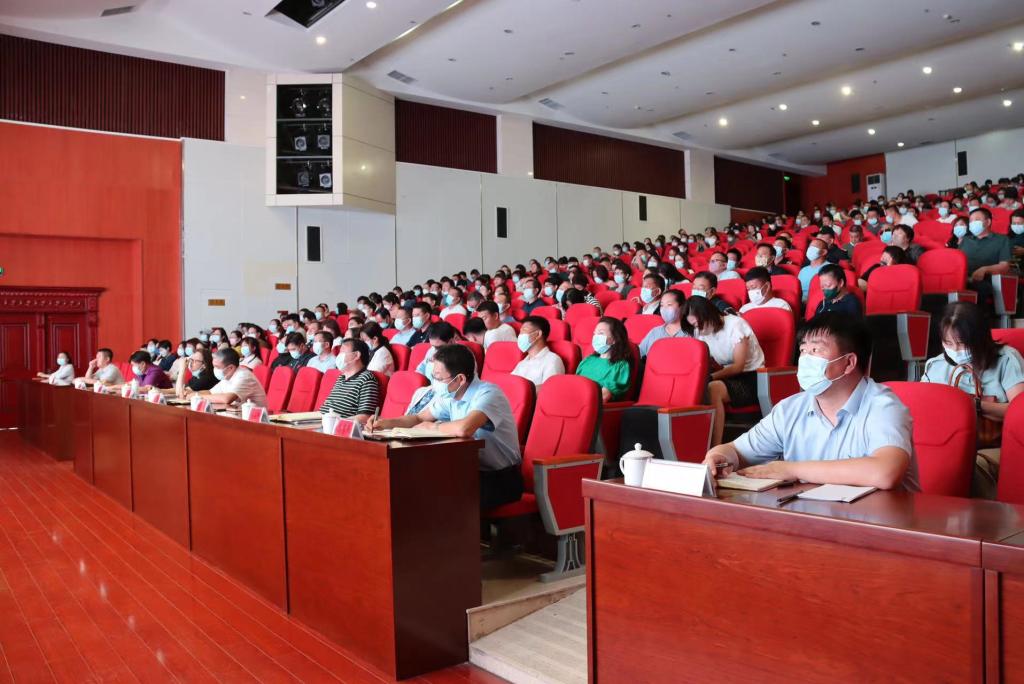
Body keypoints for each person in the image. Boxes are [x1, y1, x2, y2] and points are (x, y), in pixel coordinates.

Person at [702, 313, 919, 491]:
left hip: (881, 524)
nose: (805, 359)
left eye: (815, 350)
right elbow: (737, 451)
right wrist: (718, 456)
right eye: (803, 350)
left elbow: (885, 472)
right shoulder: (790, 409)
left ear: (849, 363)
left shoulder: (883, 406)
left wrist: (792, 469)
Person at [366, 344, 523, 509]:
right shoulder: (451, 395)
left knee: (431, 496)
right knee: (411, 484)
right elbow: (419, 417)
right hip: (468, 471)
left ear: (460, 379)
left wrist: (432, 427)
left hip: (500, 479)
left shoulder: (488, 394)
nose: (435, 383)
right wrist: (385, 423)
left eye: (439, 379)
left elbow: (465, 429)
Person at [682, 298, 765, 446]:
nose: (698, 329)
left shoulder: (735, 325)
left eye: (698, 324)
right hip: (726, 376)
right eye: (693, 326)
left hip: (752, 378)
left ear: (708, 314)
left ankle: (715, 446)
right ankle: (691, 443)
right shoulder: (701, 332)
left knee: (712, 388)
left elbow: (738, 366)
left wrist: (710, 377)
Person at [922, 301, 1024, 422]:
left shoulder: (1007, 360)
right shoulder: (935, 365)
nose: (955, 349)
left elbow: (1019, 411)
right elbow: (923, 406)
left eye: (961, 343)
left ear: (979, 338)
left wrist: (974, 405)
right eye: (948, 343)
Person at [960, 207, 1012, 309]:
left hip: (985, 280)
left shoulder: (1002, 240)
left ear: (988, 222)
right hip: (963, 278)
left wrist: (985, 269)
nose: (972, 223)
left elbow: (1004, 266)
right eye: (971, 221)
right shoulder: (965, 240)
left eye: (977, 220)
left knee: (980, 288)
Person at [318, 339, 380, 423]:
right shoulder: (341, 377)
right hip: (321, 421)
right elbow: (327, 407)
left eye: (342, 352)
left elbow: (365, 417)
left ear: (356, 355)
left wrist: (336, 423)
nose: (339, 356)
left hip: (338, 427)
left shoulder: (367, 379)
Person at [576, 317, 632, 402]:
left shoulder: (621, 366)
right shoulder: (587, 360)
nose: (595, 337)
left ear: (614, 339)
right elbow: (575, 386)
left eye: (601, 333)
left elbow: (604, 397)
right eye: (595, 334)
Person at [511, 316, 565, 387]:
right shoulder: (522, 363)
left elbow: (549, 389)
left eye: (524, 330)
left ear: (538, 334)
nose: (520, 336)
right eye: (520, 332)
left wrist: (521, 390)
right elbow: (509, 385)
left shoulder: (552, 360)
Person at [638, 290, 688, 357]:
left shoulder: (691, 333)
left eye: (669, 304)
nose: (664, 309)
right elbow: (639, 354)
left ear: (682, 307)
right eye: (662, 305)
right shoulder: (655, 332)